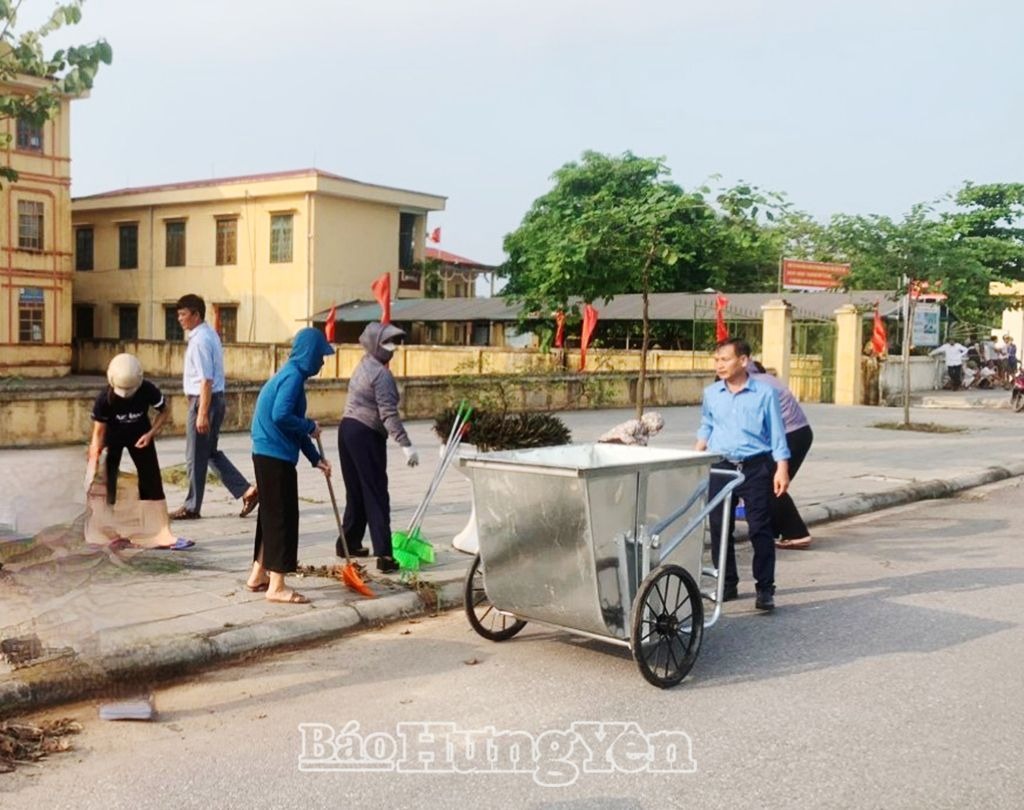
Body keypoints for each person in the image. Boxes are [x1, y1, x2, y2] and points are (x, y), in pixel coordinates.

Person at [695, 338, 790, 611]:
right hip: (721, 466)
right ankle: (727, 584)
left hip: (755, 467)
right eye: (717, 360)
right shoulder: (711, 393)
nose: (719, 365)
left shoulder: (765, 393)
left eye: (725, 359)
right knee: (719, 527)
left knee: (759, 527)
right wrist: (695, 454)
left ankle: (765, 589)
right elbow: (707, 425)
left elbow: (777, 433)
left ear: (744, 360)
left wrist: (782, 468)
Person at [246, 328, 334, 603]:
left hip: (267, 453)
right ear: (309, 353)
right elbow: (281, 415)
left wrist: (315, 458)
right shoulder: (293, 377)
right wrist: (309, 426)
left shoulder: (289, 374)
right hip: (274, 456)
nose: (322, 362)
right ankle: (277, 586)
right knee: (282, 519)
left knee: (270, 517)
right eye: (320, 355)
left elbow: (292, 426)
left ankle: (258, 575)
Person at [88, 353, 193, 550]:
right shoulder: (104, 398)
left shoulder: (147, 389)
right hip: (113, 439)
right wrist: (94, 459)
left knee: (151, 480)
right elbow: (98, 432)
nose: (127, 394)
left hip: (141, 436)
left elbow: (164, 411)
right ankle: (107, 532)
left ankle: (158, 532)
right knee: (108, 482)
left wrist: (151, 433)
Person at [338, 322, 419, 574]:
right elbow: (388, 414)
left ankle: (348, 543)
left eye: (394, 342)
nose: (393, 348)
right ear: (374, 344)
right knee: (375, 493)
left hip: (346, 430)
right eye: (387, 343)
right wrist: (405, 444)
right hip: (366, 434)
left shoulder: (364, 364)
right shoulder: (382, 375)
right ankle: (384, 555)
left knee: (356, 491)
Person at [171, 294, 258, 520]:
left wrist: (201, 413)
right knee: (209, 453)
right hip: (214, 399)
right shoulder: (209, 334)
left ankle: (192, 506)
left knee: (195, 455)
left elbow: (206, 379)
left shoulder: (200, 340)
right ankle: (246, 491)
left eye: (183, 314)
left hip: (204, 401)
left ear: (196, 315)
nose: (179, 319)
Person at [750, 362, 813, 550]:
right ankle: (775, 529)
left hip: (789, 436)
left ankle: (796, 533)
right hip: (798, 433)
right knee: (769, 483)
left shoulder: (753, 385)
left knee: (769, 484)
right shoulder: (765, 379)